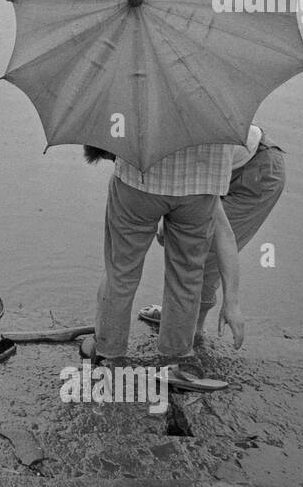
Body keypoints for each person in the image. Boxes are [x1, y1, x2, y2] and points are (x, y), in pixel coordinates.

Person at [83, 141, 244, 390]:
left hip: (138, 180)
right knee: (187, 276)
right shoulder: (220, 100)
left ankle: (109, 356)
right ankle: (177, 361)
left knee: (121, 272)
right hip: (201, 183)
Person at [140, 123, 286, 341]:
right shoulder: (154, 136)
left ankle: (194, 329)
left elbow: (223, 235)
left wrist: (231, 302)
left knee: (206, 248)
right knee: (187, 240)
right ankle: (181, 316)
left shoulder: (183, 142)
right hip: (220, 165)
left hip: (257, 173)